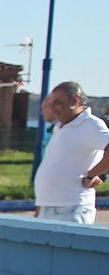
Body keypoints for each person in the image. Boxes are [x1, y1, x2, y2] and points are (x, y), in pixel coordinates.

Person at [35, 82, 109, 225]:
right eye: (51, 104)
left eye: (58, 103)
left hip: (72, 209)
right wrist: (42, 205)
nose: (53, 108)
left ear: (75, 100)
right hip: (49, 208)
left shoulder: (90, 124)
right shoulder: (61, 126)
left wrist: (92, 174)